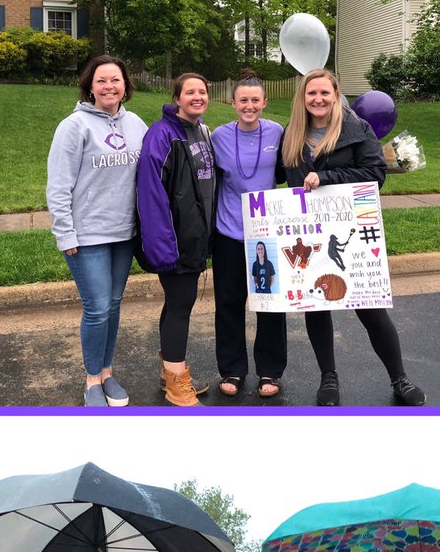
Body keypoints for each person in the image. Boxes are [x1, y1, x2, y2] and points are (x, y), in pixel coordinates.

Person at [276, 68, 425, 407]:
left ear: (335, 94)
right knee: (316, 306)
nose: (318, 99)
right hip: (309, 232)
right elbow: (273, 173)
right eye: (311, 93)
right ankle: (328, 378)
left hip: (352, 231)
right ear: (303, 98)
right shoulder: (292, 134)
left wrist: (326, 176)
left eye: (324, 93)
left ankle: (399, 378)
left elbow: (375, 173)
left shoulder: (357, 128)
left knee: (370, 309)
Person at [46, 55, 148, 406]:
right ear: (90, 85)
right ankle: (91, 380)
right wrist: (65, 233)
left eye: (115, 80)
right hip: (87, 236)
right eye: (102, 80)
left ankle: (106, 372)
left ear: (125, 85)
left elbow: (153, 167)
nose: (109, 87)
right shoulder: (74, 127)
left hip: (124, 233)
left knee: (115, 305)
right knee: (97, 308)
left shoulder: (135, 123)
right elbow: (58, 186)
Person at [135, 72, 217, 407]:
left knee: (176, 305)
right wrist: (163, 246)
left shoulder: (200, 132)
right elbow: (152, 195)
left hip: (195, 238)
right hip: (175, 241)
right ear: (177, 97)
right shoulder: (162, 134)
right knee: (181, 306)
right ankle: (175, 382)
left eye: (202, 91)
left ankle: (172, 366)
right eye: (190, 92)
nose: (197, 96)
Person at [209, 71, 286, 398]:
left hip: (266, 235)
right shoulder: (218, 137)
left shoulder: (278, 132)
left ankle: (269, 371)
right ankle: (233, 370)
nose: (249, 106)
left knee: (269, 304)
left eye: (256, 100)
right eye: (244, 100)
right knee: (228, 303)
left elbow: (291, 168)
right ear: (233, 103)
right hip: (228, 232)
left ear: (265, 102)